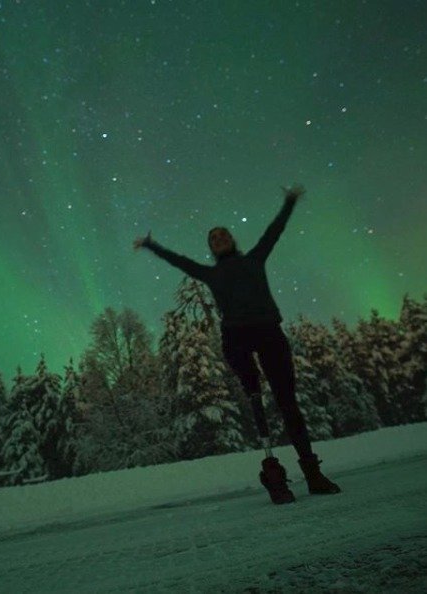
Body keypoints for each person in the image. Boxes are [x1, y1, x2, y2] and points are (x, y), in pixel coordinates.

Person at [133, 184, 341, 504]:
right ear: (212, 248)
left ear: (232, 240)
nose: (220, 240)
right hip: (236, 337)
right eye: (214, 239)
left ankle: (312, 473)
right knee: (255, 398)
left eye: (223, 235)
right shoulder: (209, 274)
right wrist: (151, 245)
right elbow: (178, 261)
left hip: (269, 332)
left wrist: (289, 202)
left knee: (288, 402)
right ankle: (274, 474)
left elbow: (275, 231)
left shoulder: (255, 259)